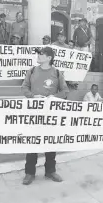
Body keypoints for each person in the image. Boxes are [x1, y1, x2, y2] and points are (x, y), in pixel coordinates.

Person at [21, 46, 69, 185]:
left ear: (49, 58)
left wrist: (52, 98)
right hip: (34, 113)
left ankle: (50, 171)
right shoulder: (32, 71)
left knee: (50, 142)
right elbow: (24, 87)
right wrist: (32, 96)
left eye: (41, 54)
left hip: (50, 114)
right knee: (32, 142)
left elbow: (65, 91)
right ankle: (29, 172)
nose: (38, 56)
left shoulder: (57, 73)